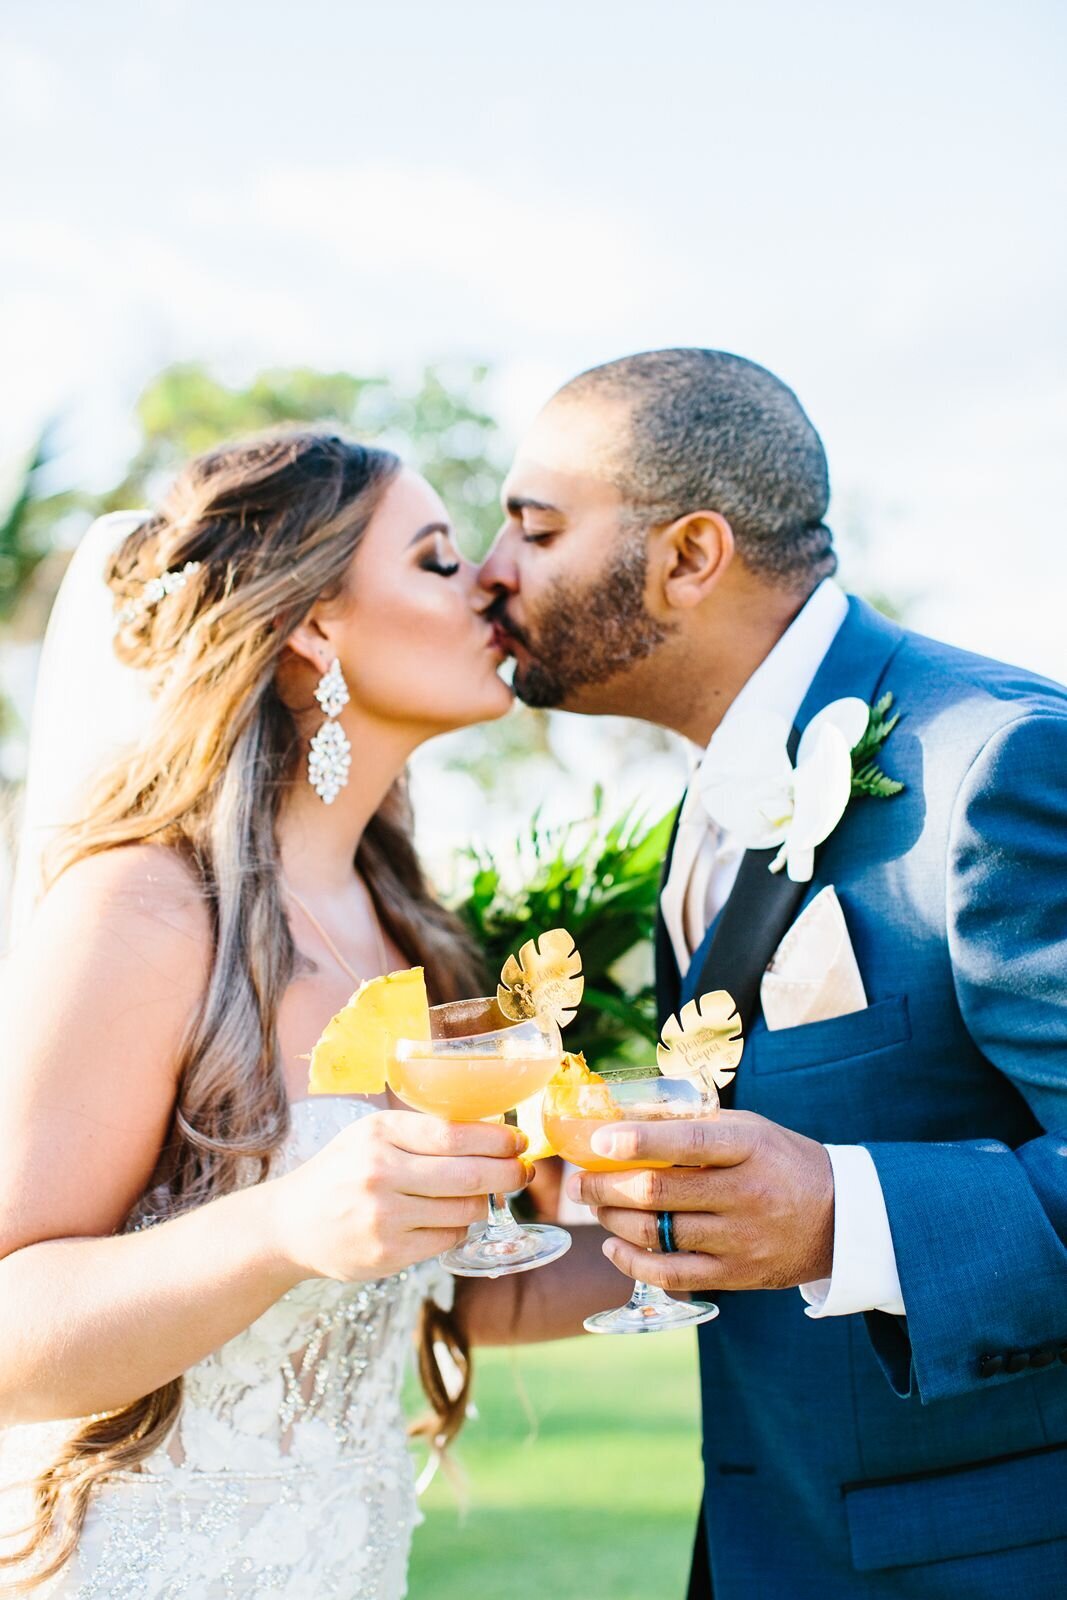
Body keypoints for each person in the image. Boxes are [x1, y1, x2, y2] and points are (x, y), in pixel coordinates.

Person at [479, 347, 1067, 1597]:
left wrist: (842, 1213)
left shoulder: (997, 760)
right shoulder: (709, 795)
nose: (488, 573)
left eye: (533, 529)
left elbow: (822, 1190)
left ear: (689, 556)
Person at [0, 429, 621, 1598]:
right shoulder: (143, 905)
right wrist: (286, 1225)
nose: (490, 580)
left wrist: (697, 1220)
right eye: (437, 560)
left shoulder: (419, 938)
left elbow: (466, 1289)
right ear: (315, 625)